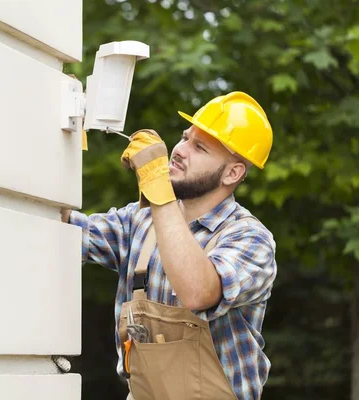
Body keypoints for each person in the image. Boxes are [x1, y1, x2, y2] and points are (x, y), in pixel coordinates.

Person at [61, 91, 277, 399]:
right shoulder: (139, 222)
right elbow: (62, 229)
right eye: (185, 137)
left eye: (199, 147)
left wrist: (159, 189)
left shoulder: (250, 239)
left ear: (233, 172)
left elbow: (198, 291)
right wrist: (64, 133)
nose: (179, 150)